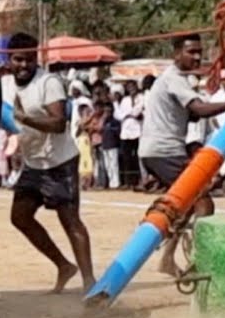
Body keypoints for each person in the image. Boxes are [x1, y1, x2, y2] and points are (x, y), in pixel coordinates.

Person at [139, 34, 225, 275]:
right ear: (177, 54)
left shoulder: (179, 80)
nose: (197, 57)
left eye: (199, 52)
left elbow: (192, 114)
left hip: (162, 150)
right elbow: (200, 110)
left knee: (186, 204)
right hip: (163, 151)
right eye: (191, 52)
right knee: (203, 201)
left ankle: (168, 258)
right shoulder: (173, 79)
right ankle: (197, 257)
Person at [8, 32, 95, 293]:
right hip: (33, 164)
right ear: (9, 59)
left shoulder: (48, 82)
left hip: (60, 162)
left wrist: (24, 119)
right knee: (19, 217)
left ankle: (90, 283)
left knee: (70, 221)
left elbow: (58, 124)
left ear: (36, 58)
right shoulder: (4, 84)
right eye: (18, 59)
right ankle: (64, 266)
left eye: (29, 59)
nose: (24, 65)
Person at [116, 80, 143, 187]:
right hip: (126, 132)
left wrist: (128, 114)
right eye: (129, 87)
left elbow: (137, 112)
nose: (131, 88)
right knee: (126, 158)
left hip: (138, 131)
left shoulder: (141, 97)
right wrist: (129, 114)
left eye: (133, 86)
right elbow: (118, 115)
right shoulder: (125, 100)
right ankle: (128, 181)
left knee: (138, 157)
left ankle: (139, 180)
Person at [97, 102, 122, 189]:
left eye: (108, 111)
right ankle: (111, 182)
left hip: (113, 145)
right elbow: (99, 129)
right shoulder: (104, 121)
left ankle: (116, 183)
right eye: (105, 111)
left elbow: (118, 132)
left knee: (114, 164)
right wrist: (103, 119)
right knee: (107, 165)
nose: (107, 113)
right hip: (105, 145)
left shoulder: (115, 121)